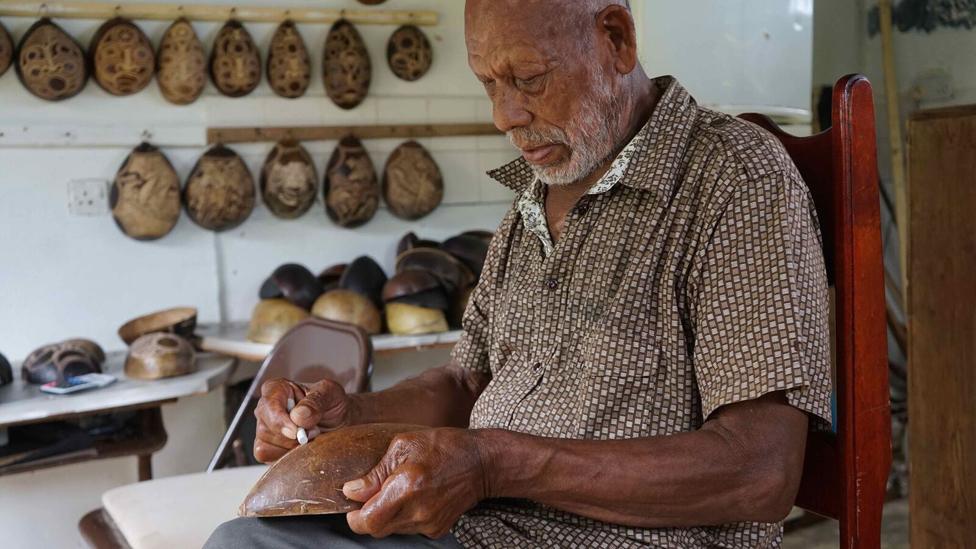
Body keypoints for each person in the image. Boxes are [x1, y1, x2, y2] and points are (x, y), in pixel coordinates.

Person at [206, 0, 830, 547]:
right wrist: (352, 416)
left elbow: (760, 472)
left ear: (616, 38)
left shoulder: (732, 178)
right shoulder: (540, 194)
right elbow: (467, 382)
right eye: (488, 85)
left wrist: (494, 465)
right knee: (254, 537)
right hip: (485, 527)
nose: (505, 115)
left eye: (529, 79)